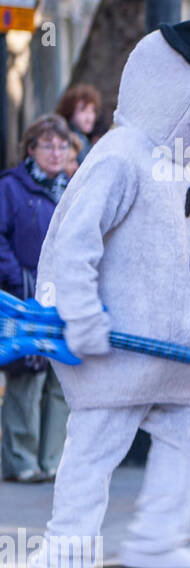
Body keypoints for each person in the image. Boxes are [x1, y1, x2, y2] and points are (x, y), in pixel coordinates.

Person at [27, 20, 190, 568]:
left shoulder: (176, 165)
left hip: (175, 361)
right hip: (118, 352)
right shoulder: (120, 157)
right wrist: (80, 316)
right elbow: (71, 243)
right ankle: (63, 559)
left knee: (184, 438)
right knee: (95, 447)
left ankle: (160, 540)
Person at [0, 115, 74, 483]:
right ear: (31, 149)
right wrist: (18, 280)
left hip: (64, 299)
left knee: (60, 379)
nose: (57, 152)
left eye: (63, 145)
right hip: (23, 298)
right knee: (25, 379)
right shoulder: (11, 187)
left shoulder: (73, 188)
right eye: (48, 145)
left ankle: (52, 459)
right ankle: (21, 461)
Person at [54, 83, 101, 171]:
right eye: (83, 111)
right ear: (70, 113)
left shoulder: (83, 138)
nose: (89, 118)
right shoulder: (76, 139)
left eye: (92, 111)